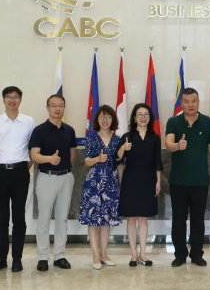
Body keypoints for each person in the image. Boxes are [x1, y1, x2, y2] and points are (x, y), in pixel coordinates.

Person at [165, 88, 210, 267]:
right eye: (186, 101)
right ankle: (180, 255)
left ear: (198, 102)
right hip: (178, 181)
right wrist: (177, 146)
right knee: (178, 220)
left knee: (198, 220)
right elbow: (168, 144)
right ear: (181, 104)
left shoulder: (208, 123)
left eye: (193, 101)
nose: (190, 105)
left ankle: (197, 254)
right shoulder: (173, 121)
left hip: (200, 181)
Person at [0, 86, 35, 273]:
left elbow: (32, 149)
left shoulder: (28, 121)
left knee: (19, 217)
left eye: (15, 97)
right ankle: (1, 259)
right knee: (2, 218)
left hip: (20, 172)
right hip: (0, 173)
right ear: (3, 100)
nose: (12, 100)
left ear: (20, 100)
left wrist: (24, 168)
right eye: (8, 97)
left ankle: (17, 259)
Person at [29, 94, 77, 272]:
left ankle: (59, 256)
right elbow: (34, 155)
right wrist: (49, 159)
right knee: (44, 219)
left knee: (62, 219)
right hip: (46, 177)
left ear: (64, 108)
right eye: (53, 105)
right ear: (47, 108)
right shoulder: (39, 130)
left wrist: (64, 168)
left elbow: (72, 155)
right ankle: (43, 257)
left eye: (60, 105)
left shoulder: (69, 130)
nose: (57, 108)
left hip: (66, 178)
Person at [118, 103, 163, 267]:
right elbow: (117, 158)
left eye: (146, 114)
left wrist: (158, 181)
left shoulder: (155, 137)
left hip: (149, 180)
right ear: (134, 118)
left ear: (150, 118)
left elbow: (158, 161)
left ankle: (143, 254)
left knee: (143, 218)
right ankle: (133, 255)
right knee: (131, 218)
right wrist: (123, 148)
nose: (143, 117)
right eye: (139, 114)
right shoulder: (127, 136)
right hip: (130, 180)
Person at [79, 105, 121, 270]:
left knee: (106, 220)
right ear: (97, 119)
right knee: (93, 220)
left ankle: (104, 254)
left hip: (111, 182)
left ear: (113, 120)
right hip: (94, 184)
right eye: (102, 117)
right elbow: (86, 161)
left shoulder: (117, 140)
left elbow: (119, 161)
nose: (105, 120)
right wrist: (97, 158)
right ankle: (95, 255)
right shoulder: (91, 138)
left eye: (108, 117)